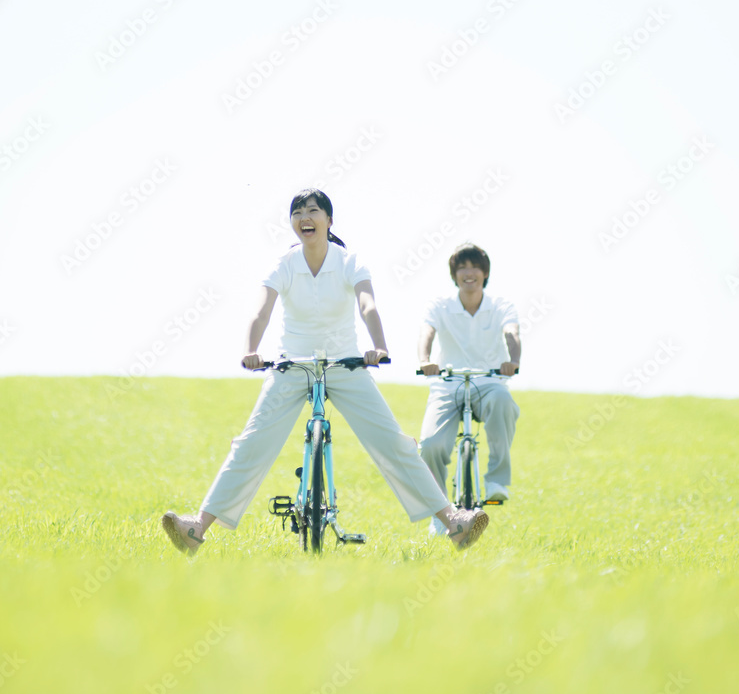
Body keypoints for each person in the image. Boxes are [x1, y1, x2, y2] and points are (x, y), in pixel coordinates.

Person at [161, 190, 490, 554]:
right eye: (297, 212)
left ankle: (453, 523)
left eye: (313, 210)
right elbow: (262, 310)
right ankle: (197, 528)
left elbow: (367, 305)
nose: (305, 216)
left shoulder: (349, 262)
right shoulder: (284, 263)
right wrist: (250, 350)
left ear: (329, 221)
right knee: (252, 442)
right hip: (292, 364)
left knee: (392, 441)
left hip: (345, 363)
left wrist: (378, 346)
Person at [417, 243, 520, 536]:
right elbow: (427, 332)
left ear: (485, 273)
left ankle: (496, 481)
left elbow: (512, 332)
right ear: (454, 275)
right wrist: (424, 360)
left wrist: (513, 360)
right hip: (447, 384)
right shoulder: (440, 306)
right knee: (430, 445)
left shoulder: (500, 305)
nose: (468, 273)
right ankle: (440, 512)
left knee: (503, 401)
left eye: (474, 266)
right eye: (462, 267)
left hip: (488, 382)